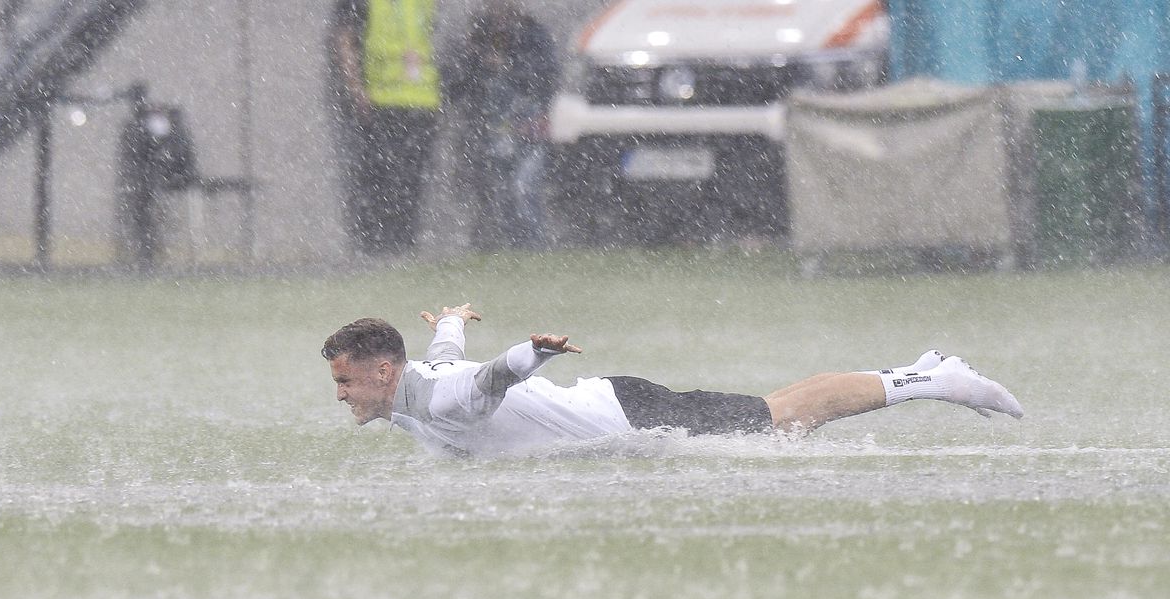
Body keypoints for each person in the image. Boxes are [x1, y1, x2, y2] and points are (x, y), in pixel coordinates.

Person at [322, 304, 1024, 457]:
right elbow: (449, 353)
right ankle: (924, 371)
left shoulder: (436, 397)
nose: (341, 393)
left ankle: (932, 379)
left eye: (347, 381)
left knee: (782, 415)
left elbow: (485, 379)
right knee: (778, 412)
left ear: (384, 372)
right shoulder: (413, 386)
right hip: (617, 404)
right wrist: (451, 317)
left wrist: (531, 352)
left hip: (626, 415)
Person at [327, 0, 442, 254]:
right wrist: (356, 89)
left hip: (420, 100)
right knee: (381, 182)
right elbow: (344, 37)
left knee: (408, 184)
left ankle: (400, 248)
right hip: (382, 101)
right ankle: (378, 249)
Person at [445, 0, 558, 250]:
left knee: (524, 188)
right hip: (490, 132)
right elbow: (458, 87)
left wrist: (507, 68)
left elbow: (547, 76)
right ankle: (506, 247)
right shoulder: (477, 35)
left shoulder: (532, 34)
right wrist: (473, 60)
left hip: (528, 131)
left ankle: (532, 247)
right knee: (499, 194)